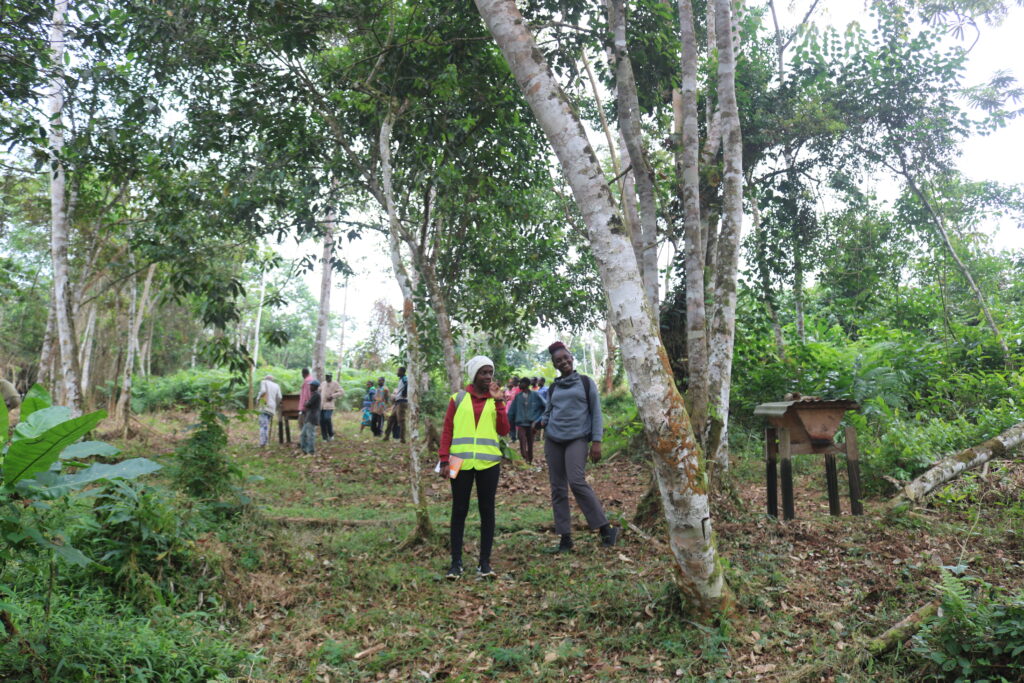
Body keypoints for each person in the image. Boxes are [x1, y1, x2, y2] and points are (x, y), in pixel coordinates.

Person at [536, 341, 618, 552]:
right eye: (558, 360)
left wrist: (597, 442)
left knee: (576, 481)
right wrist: (543, 420)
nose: (563, 362)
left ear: (572, 358)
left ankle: (605, 528)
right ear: (555, 364)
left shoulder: (585, 383)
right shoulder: (553, 387)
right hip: (554, 439)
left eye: (565, 357)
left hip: (577, 438)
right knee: (557, 488)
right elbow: (548, 410)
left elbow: (596, 413)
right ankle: (565, 537)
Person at [437, 355, 509, 580]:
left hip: (489, 462)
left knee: (487, 511)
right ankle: (455, 564)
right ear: (474, 374)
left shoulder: (495, 399)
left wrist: (499, 403)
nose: (488, 377)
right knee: (459, 511)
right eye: (483, 372)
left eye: (490, 372)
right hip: (459, 460)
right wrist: (443, 460)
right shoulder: (458, 398)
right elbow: (448, 429)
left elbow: (504, 430)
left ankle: (484, 564)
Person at [508, 376, 544, 464]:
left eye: (522, 383)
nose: (520, 384)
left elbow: (545, 406)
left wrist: (537, 420)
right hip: (521, 424)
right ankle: (525, 457)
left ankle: (530, 460)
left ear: (527, 384)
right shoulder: (518, 396)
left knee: (530, 443)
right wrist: (509, 421)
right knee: (521, 440)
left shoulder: (535, 395)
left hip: (532, 424)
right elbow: (512, 410)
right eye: (520, 383)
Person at [255, 374, 282, 448]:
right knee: (266, 425)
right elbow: (279, 397)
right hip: (272, 408)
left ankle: (262, 443)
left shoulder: (263, 382)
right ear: (272, 379)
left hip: (264, 406)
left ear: (266, 379)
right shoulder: (277, 385)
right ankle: (266, 442)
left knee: (263, 425)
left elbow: (263, 391)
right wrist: (275, 404)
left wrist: (258, 398)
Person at [384, 367, 408, 443]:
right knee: (391, 419)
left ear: (402, 371)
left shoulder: (405, 378)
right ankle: (386, 436)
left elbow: (408, 384)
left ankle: (402, 439)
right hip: (398, 402)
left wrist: (404, 393)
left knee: (401, 420)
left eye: (398, 371)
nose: (397, 372)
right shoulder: (401, 379)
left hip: (402, 402)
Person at [320, 373, 344, 441]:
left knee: (327, 418)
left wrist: (333, 396)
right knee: (322, 421)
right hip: (322, 405)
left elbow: (341, 392)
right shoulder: (323, 383)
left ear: (331, 377)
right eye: (326, 376)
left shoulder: (335, 383)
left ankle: (331, 434)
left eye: (329, 377)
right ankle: (324, 437)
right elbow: (319, 390)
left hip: (329, 405)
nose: (327, 378)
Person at [300, 380, 321, 455]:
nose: (310, 387)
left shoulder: (316, 395)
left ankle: (311, 451)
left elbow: (307, 404)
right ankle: (304, 450)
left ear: (315, 387)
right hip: (309, 417)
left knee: (310, 435)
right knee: (303, 434)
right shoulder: (314, 394)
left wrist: (306, 403)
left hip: (312, 417)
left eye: (311, 385)